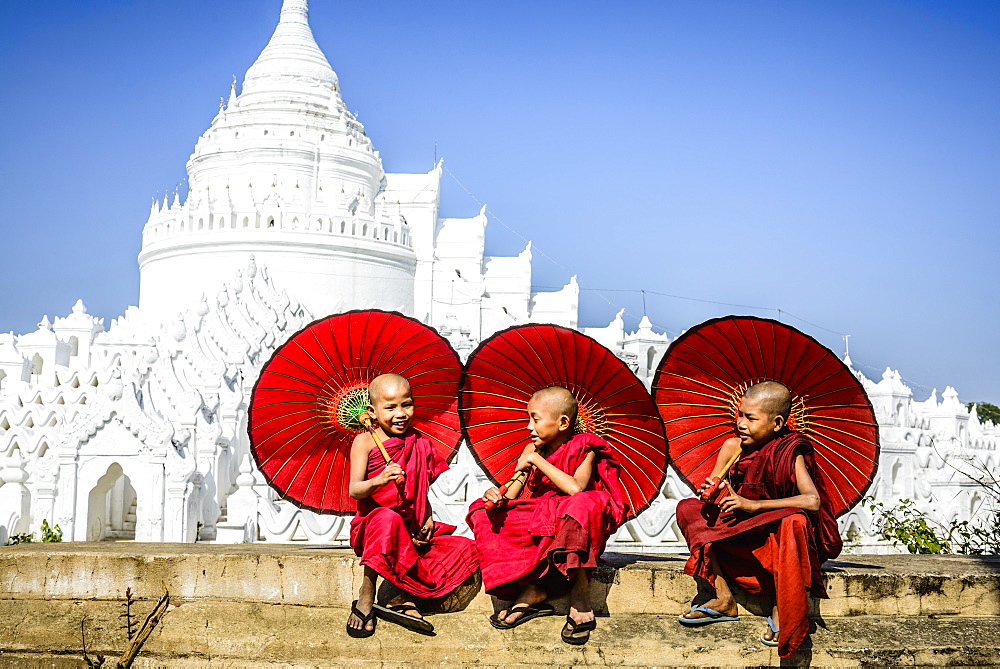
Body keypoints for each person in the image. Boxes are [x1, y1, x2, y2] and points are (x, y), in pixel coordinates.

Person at [675, 381, 843, 658]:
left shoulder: (791, 449)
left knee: (796, 521)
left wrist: (754, 505)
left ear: (777, 423)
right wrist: (712, 492)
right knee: (688, 509)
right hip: (741, 525)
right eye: (740, 414)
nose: (741, 423)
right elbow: (714, 494)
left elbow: (812, 501)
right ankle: (724, 598)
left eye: (751, 418)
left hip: (774, 530)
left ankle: (782, 608)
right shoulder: (732, 446)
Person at [466, 386, 629, 645]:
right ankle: (531, 589)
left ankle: (580, 592)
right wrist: (496, 495)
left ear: (563, 422)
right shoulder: (532, 449)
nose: (529, 426)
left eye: (535, 419)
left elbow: (576, 488)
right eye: (529, 419)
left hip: (572, 517)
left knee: (584, 505)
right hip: (544, 513)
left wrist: (538, 462)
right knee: (481, 511)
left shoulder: (585, 447)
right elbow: (514, 493)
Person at [345, 373, 479, 638]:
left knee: (466, 547)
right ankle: (367, 592)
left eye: (407, 404)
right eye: (390, 407)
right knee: (387, 518)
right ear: (372, 411)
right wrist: (379, 479)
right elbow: (355, 490)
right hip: (375, 527)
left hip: (410, 528)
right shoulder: (364, 441)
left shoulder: (420, 443)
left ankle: (401, 596)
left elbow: (419, 490)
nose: (401, 413)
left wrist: (426, 518)